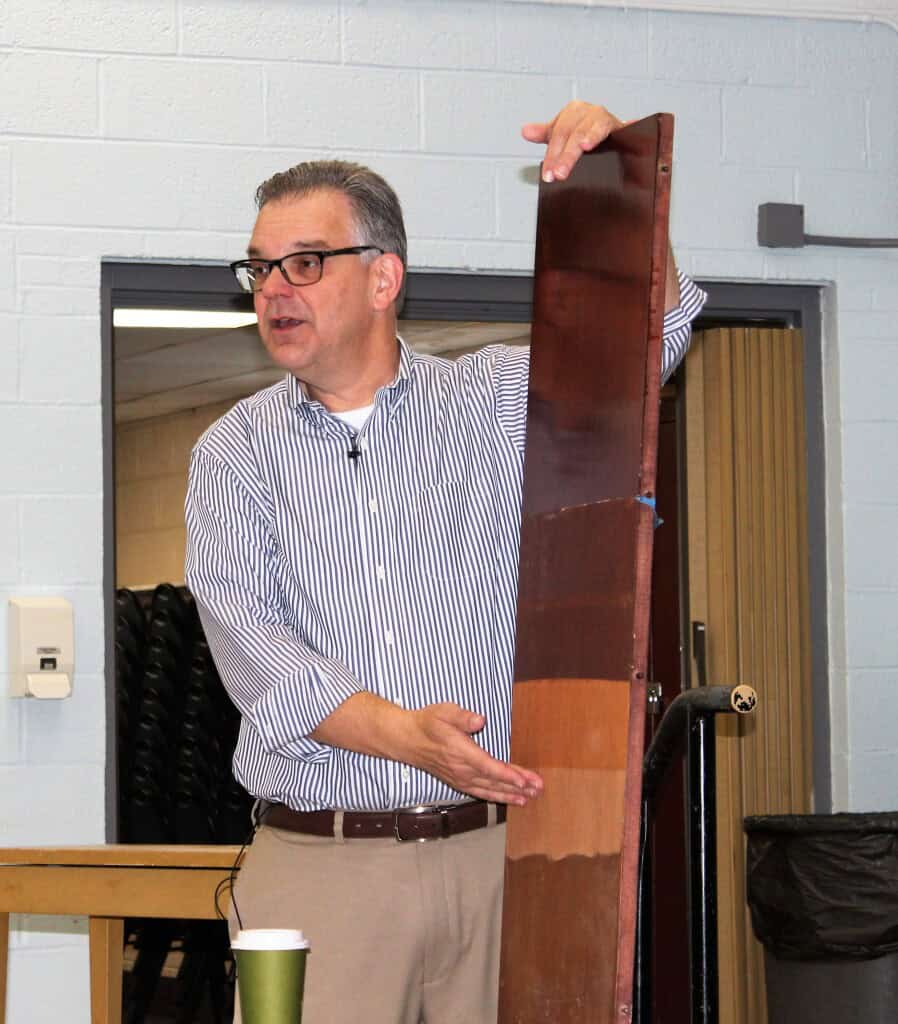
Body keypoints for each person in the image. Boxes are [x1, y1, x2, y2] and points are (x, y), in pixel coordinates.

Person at [185, 101, 706, 1024]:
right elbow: (258, 657)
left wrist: (623, 183)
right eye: (260, 268)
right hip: (325, 873)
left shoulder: (495, 399)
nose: (273, 290)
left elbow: (647, 342)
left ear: (383, 276)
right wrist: (408, 737)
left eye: (304, 263)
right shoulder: (233, 454)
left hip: (502, 863)